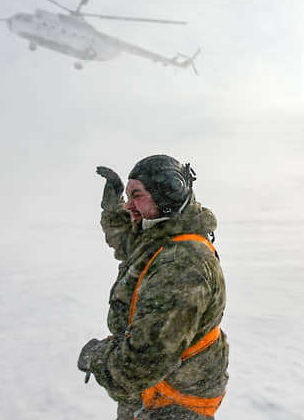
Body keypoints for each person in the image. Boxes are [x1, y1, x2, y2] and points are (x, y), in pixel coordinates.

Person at [79, 155, 228, 420]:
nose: (128, 205)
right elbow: (128, 242)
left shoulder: (182, 263)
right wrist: (112, 209)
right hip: (154, 395)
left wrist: (96, 358)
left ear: (168, 193)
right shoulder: (161, 238)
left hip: (172, 407)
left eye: (136, 195)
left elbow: (142, 364)